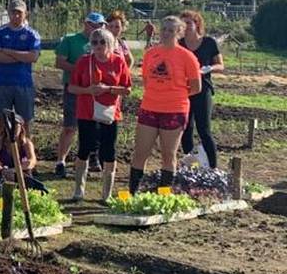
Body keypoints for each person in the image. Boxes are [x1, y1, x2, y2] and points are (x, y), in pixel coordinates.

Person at [129, 16, 201, 193]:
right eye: (164, 29)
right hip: (150, 107)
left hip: (174, 110)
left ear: (179, 33)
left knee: (168, 155)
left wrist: (175, 95)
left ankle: (164, 195)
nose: (166, 33)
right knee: (140, 153)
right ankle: (133, 194)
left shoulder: (187, 57)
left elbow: (196, 87)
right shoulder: (151, 53)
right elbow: (147, 81)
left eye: (171, 30)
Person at [68, 28, 132, 201]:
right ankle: (78, 191)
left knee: (108, 150)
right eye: (94, 42)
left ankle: (107, 194)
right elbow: (71, 87)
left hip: (110, 112)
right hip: (86, 111)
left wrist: (108, 89)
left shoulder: (118, 61)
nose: (98, 45)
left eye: (102, 42)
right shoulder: (84, 61)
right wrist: (88, 90)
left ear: (110, 44)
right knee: (84, 148)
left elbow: (127, 89)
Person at [53, 13, 106, 178]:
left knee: (92, 127)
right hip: (75, 88)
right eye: (93, 24)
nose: (96, 28)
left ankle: (87, 160)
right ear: (86, 24)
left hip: (95, 91)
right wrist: (81, 71)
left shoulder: (102, 41)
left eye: (100, 25)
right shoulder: (70, 40)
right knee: (70, 126)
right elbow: (59, 62)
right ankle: (60, 161)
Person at [179, 10, 224, 169]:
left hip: (202, 88)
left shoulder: (209, 43)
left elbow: (221, 65)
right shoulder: (179, 44)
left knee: (204, 129)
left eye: (188, 23)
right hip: (184, 90)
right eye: (183, 24)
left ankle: (213, 168)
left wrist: (209, 68)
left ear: (196, 24)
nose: (186, 27)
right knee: (186, 128)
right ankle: (190, 165)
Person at [0, 0, 41, 123]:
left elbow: (33, 57)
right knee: (2, 124)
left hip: (24, 84)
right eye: (13, 12)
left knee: (24, 124)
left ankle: (22, 143)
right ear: (9, 13)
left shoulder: (32, 34)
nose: (16, 15)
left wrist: (8, 51)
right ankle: (4, 143)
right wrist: (22, 57)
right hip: (2, 83)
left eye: (20, 13)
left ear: (25, 14)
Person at [0, 116, 46, 194]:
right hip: (1, 173)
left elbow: (32, 161)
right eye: (10, 126)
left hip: (20, 173)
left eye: (15, 126)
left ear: (21, 128)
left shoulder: (26, 143)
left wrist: (15, 170)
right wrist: (2, 170)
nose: (12, 129)